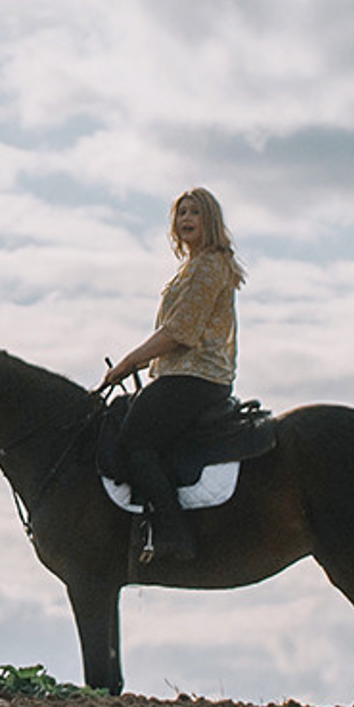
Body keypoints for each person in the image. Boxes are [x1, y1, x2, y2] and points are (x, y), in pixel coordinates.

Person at [96, 186, 244, 564]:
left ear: (210, 221)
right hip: (179, 374)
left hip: (197, 376)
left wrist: (129, 362)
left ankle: (175, 534)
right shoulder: (191, 267)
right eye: (181, 213)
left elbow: (180, 332)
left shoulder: (209, 265)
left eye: (195, 212)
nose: (186, 219)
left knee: (133, 441)